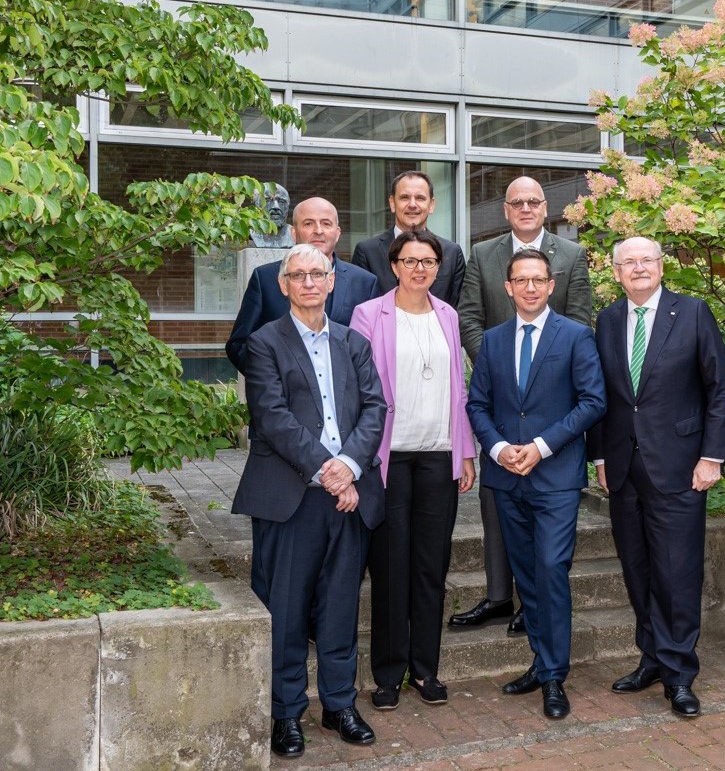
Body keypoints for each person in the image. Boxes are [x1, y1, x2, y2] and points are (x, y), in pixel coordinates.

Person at [231, 244, 387, 756]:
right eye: (297, 275)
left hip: (349, 497)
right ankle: (285, 712)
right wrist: (329, 469)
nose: (308, 282)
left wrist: (350, 470)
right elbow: (273, 418)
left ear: (332, 281)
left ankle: (340, 704)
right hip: (292, 497)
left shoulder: (354, 342)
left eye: (317, 273)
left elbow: (374, 408)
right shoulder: (263, 344)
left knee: (341, 607)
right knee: (287, 610)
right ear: (283, 286)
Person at [588, 236, 725, 719]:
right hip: (625, 469)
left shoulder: (692, 312)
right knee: (638, 571)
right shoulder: (608, 320)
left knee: (677, 574)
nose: (638, 268)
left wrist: (712, 456)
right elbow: (602, 397)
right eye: (628, 263)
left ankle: (679, 673)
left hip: (681, 467)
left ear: (661, 266)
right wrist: (601, 459)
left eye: (645, 260)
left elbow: (718, 388)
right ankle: (651, 657)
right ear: (616, 273)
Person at [452, 176, 595, 637]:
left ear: (545, 206)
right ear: (506, 209)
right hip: (500, 401)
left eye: (535, 201)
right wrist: (498, 362)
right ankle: (500, 595)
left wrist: (537, 367)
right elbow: (469, 317)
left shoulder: (571, 256)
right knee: (500, 512)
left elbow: (579, 322)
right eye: (518, 202)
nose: (527, 208)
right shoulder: (482, 254)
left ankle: (534, 608)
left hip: (552, 407)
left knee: (547, 541)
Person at [466, 248, 605, 720]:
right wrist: (499, 449)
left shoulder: (576, 337)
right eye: (520, 280)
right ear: (508, 288)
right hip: (507, 478)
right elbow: (477, 405)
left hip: (555, 477)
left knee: (550, 569)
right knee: (527, 576)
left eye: (538, 280)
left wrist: (542, 446)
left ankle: (553, 677)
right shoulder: (492, 340)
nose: (529, 287)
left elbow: (592, 402)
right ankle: (540, 662)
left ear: (551, 286)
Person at [350, 229, 478, 712]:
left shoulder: (447, 315)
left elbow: (459, 391)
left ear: (438, 267)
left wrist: (464, 452)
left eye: (429, 261)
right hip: (389, 458)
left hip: (438, 456)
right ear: (395, 265)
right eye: (410, 260)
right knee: (388, 567)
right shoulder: (369, 314)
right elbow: (359, 388)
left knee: (430, 566)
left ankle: (426, 670)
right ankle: (388, 673)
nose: (420, 268)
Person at [227, 197, 380, 373]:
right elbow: (239, 344)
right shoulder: (265, 278)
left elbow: (375, 348)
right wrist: (270, 381)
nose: (318, 231)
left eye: (326, 223)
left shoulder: (365, 283)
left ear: (337, 233)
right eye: (308, 224)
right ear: (294, 233)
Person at [352, 171, 466, 306]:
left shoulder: (452, 253)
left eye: (420, 198)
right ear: (392, 203)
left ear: (431, 205)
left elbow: (459, 309)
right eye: (405, 198)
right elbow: (360, 307)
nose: (412, 204)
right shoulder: (367, 252)